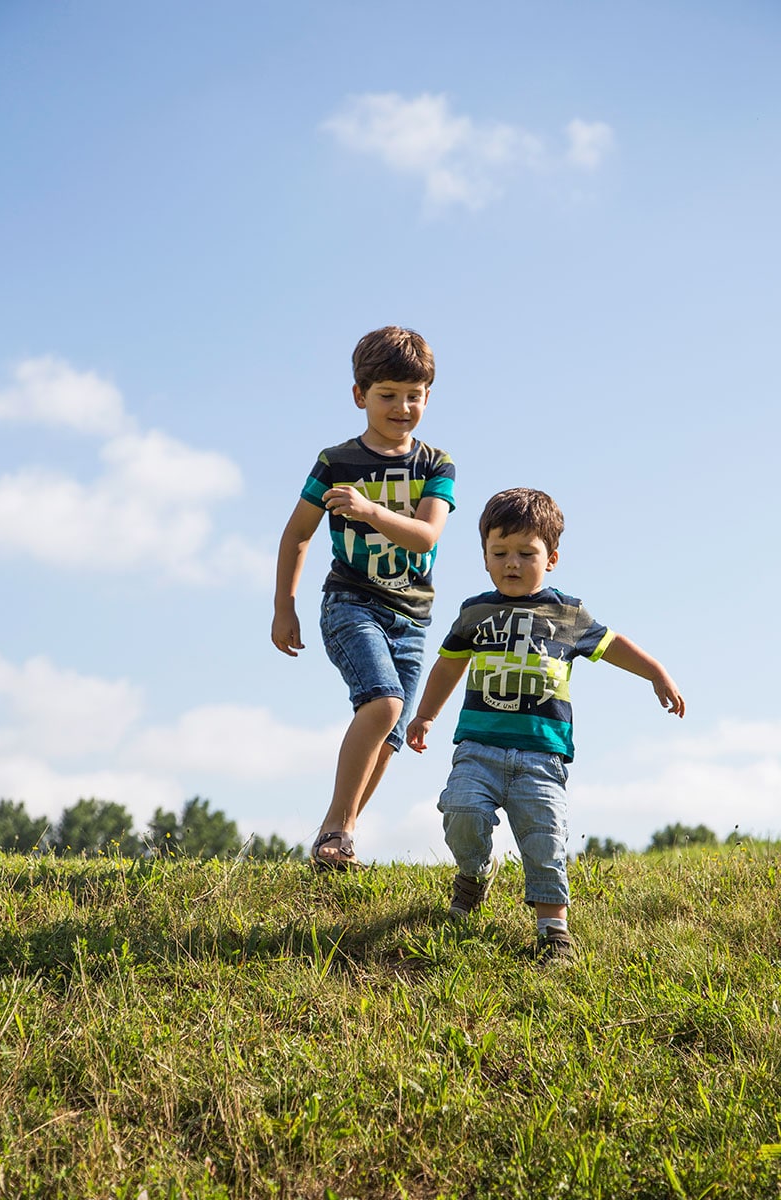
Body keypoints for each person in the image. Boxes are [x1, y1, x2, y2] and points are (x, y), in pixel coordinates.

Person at [406, 487, 684, 960]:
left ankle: (553, 930)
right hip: (478, 747)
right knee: (462, 812)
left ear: (551, 558)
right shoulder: (475, 613)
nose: (511, 563)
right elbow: (449, 664)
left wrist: (655, 672)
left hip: (542, 755)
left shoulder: (568, 615)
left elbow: (613, 645)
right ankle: (473, 876)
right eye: (500, 553)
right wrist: (427, 714)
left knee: (545, 836)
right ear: (485, 559)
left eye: (525, 553)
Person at [272, 326, 456, 869]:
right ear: (360, 395)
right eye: (387, 395)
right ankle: (334, 825)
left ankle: (341, 837)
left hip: (413, 616)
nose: (402, 407)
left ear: (428, 396)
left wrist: (370, 510)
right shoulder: (335, 462)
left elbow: (426, 535)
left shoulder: (436, 465)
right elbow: (297, 533)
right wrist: (286, 605)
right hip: (351, 603)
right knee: (384, 703)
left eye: (413, 396)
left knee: (392, 734)